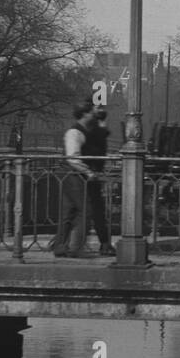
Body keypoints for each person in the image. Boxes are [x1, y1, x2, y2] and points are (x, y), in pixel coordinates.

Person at [54, 103, 106, 257]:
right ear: (84, 114)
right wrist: (88, 172)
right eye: (92, 113)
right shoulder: (75, 133)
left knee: (68, 211)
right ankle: (75, 248)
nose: (94, 116)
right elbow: (73, 157)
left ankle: (61, 246)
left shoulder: (83, 131)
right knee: (85, 210)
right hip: (73, 174)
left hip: (70, 174)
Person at [82, 108, 114, 254]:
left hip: (90, 172)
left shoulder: (91, 129)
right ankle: (105, 243)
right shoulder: (96, 131)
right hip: (91, 173)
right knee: (96, 210)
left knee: (80, 209)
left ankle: (63, 242)